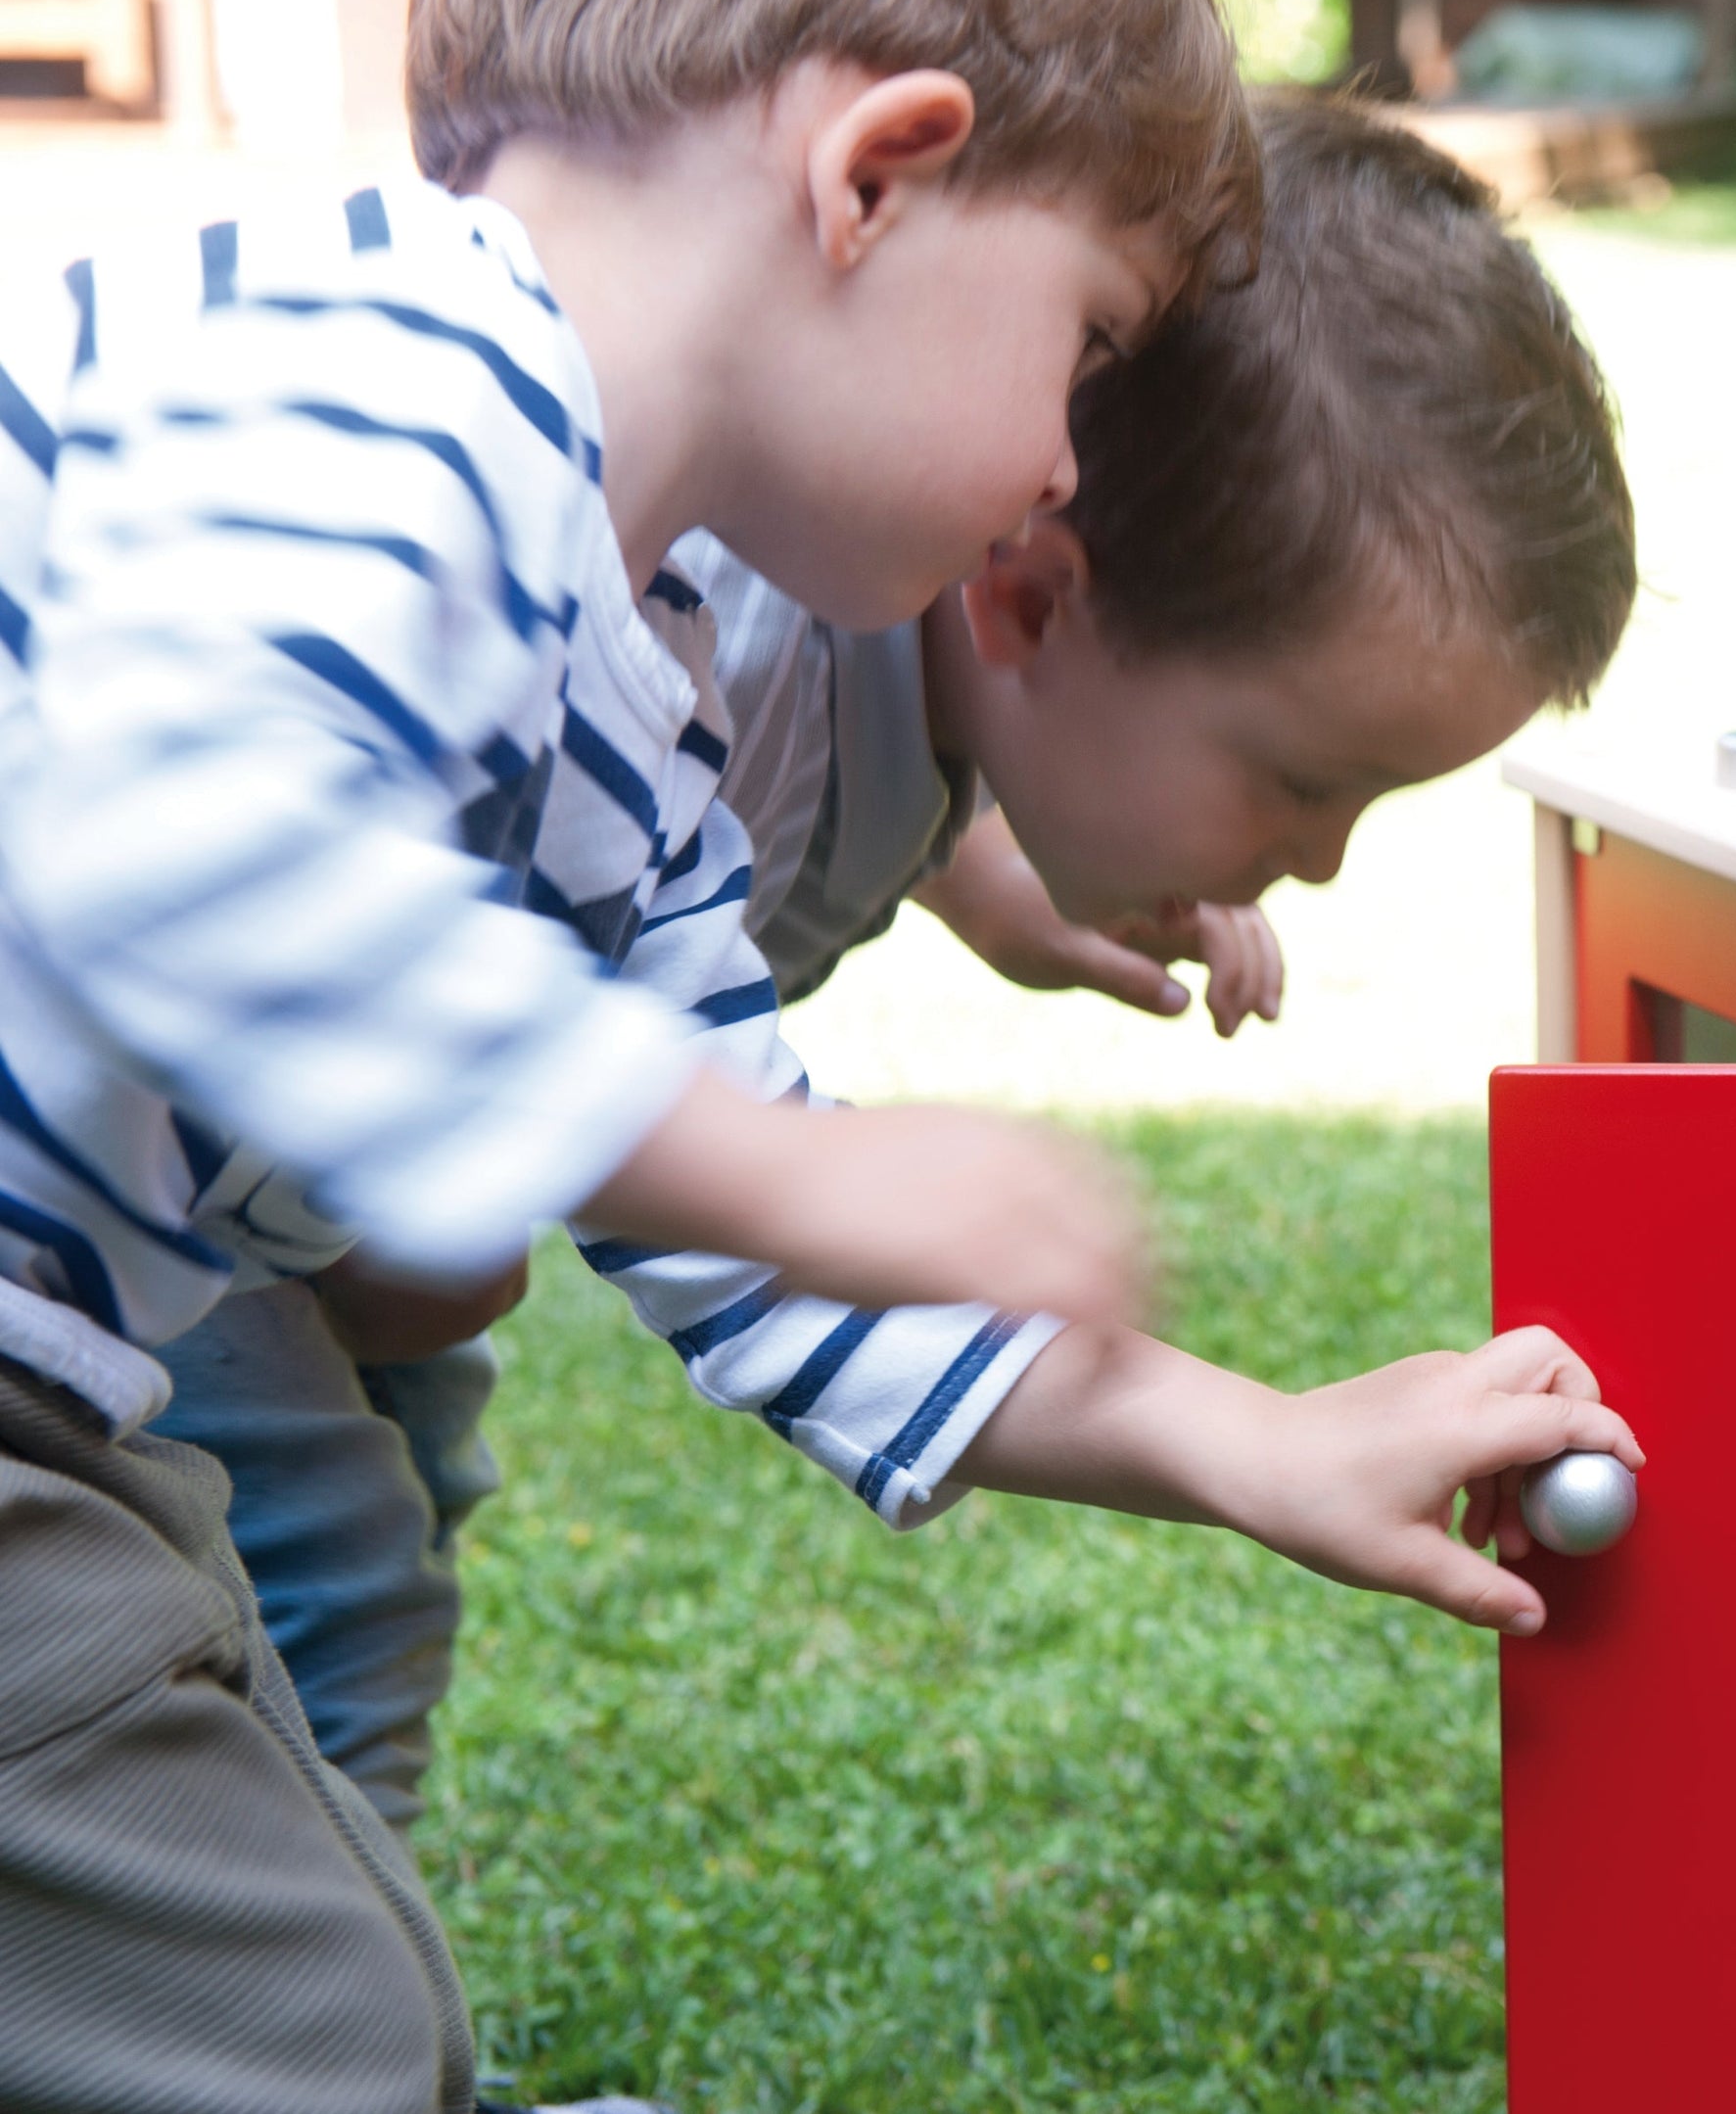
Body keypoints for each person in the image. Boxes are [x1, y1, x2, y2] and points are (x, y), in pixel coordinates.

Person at [0, 0, 1627, 2114]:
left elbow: (735, 1214)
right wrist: (766, 1160)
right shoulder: (398, 385)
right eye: (1085, 347)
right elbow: (176, 827)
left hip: (61, 1384)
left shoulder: (610, 659)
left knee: (298, 1939)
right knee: (289, 2012)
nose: (1074, 468)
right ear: (875, 176)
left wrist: (1241, 1440)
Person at [156, 98, 1647, 1843]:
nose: (1317, 858)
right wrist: (1255, 1437)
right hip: (143, 1214)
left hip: (298, 1183)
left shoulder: (877, 625)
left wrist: (979, 877)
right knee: (315, 1605)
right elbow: (730, 1199)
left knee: (374, 1547)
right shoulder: (676, 646)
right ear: (1027, 602)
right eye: (1303, 780)